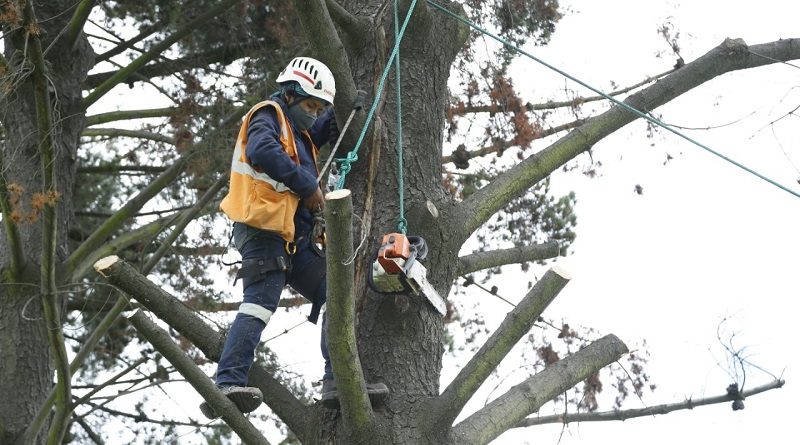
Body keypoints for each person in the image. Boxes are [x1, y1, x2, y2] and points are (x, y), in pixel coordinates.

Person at [199, 56, 338, 418]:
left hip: (291, 241)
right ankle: (227, 383)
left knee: (337, 292)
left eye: (319, 108)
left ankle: (336, 382)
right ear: (290, 94)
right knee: (260, 302)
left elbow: (319, 132)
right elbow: (262, 150)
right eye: (311, 105)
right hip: (260, 232)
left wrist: (345, 110)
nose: (314, 113)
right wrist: (308, 186)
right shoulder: (268, 115)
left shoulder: (299, 132)